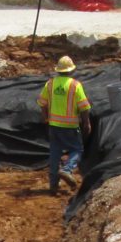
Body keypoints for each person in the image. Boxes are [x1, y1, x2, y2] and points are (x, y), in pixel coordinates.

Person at [37, 56, 92, 195]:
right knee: (77, 150)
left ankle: (53, 186)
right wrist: (86, 123)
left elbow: (42, 102)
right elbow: (84, 106)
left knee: (55, 154)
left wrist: (45, 117)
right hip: (70, 126)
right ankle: (67, 170)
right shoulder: (75, 85)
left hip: (54, 126)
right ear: (71, 70)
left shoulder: (50, 84)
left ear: (58, 70)